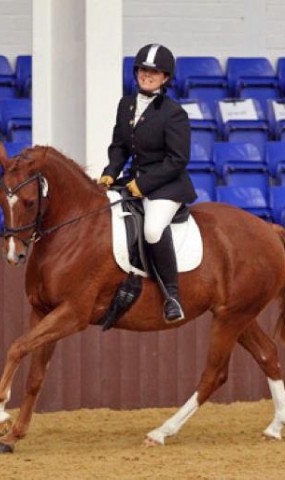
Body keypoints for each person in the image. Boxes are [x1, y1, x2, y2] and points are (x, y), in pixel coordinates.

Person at [98, 43, 197, 323]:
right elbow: (119, 146)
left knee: (153, 229)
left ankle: (172, 296)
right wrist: (110, 172)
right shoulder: (126, 104)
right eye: (143, 69)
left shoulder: (174, 113)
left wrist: (145, 185)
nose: (147, 75)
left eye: (154, 72)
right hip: (133, 180)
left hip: (166, 185)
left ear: (165, 77)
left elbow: (178, 159)